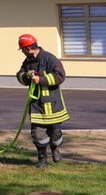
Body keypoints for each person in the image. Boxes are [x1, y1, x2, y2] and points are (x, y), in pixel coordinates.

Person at [16, 33, 70, 168]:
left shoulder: (50, 58)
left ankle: (55, 147)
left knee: (55, 132)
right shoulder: (27, 62)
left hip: (53, 104)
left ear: (28, 48)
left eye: (23, 50)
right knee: (38, 134)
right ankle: (42, 159)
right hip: (36, 105)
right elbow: (20, 75)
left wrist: (41, 80)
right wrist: (27, 76)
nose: (23, 52)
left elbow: (60, 76)